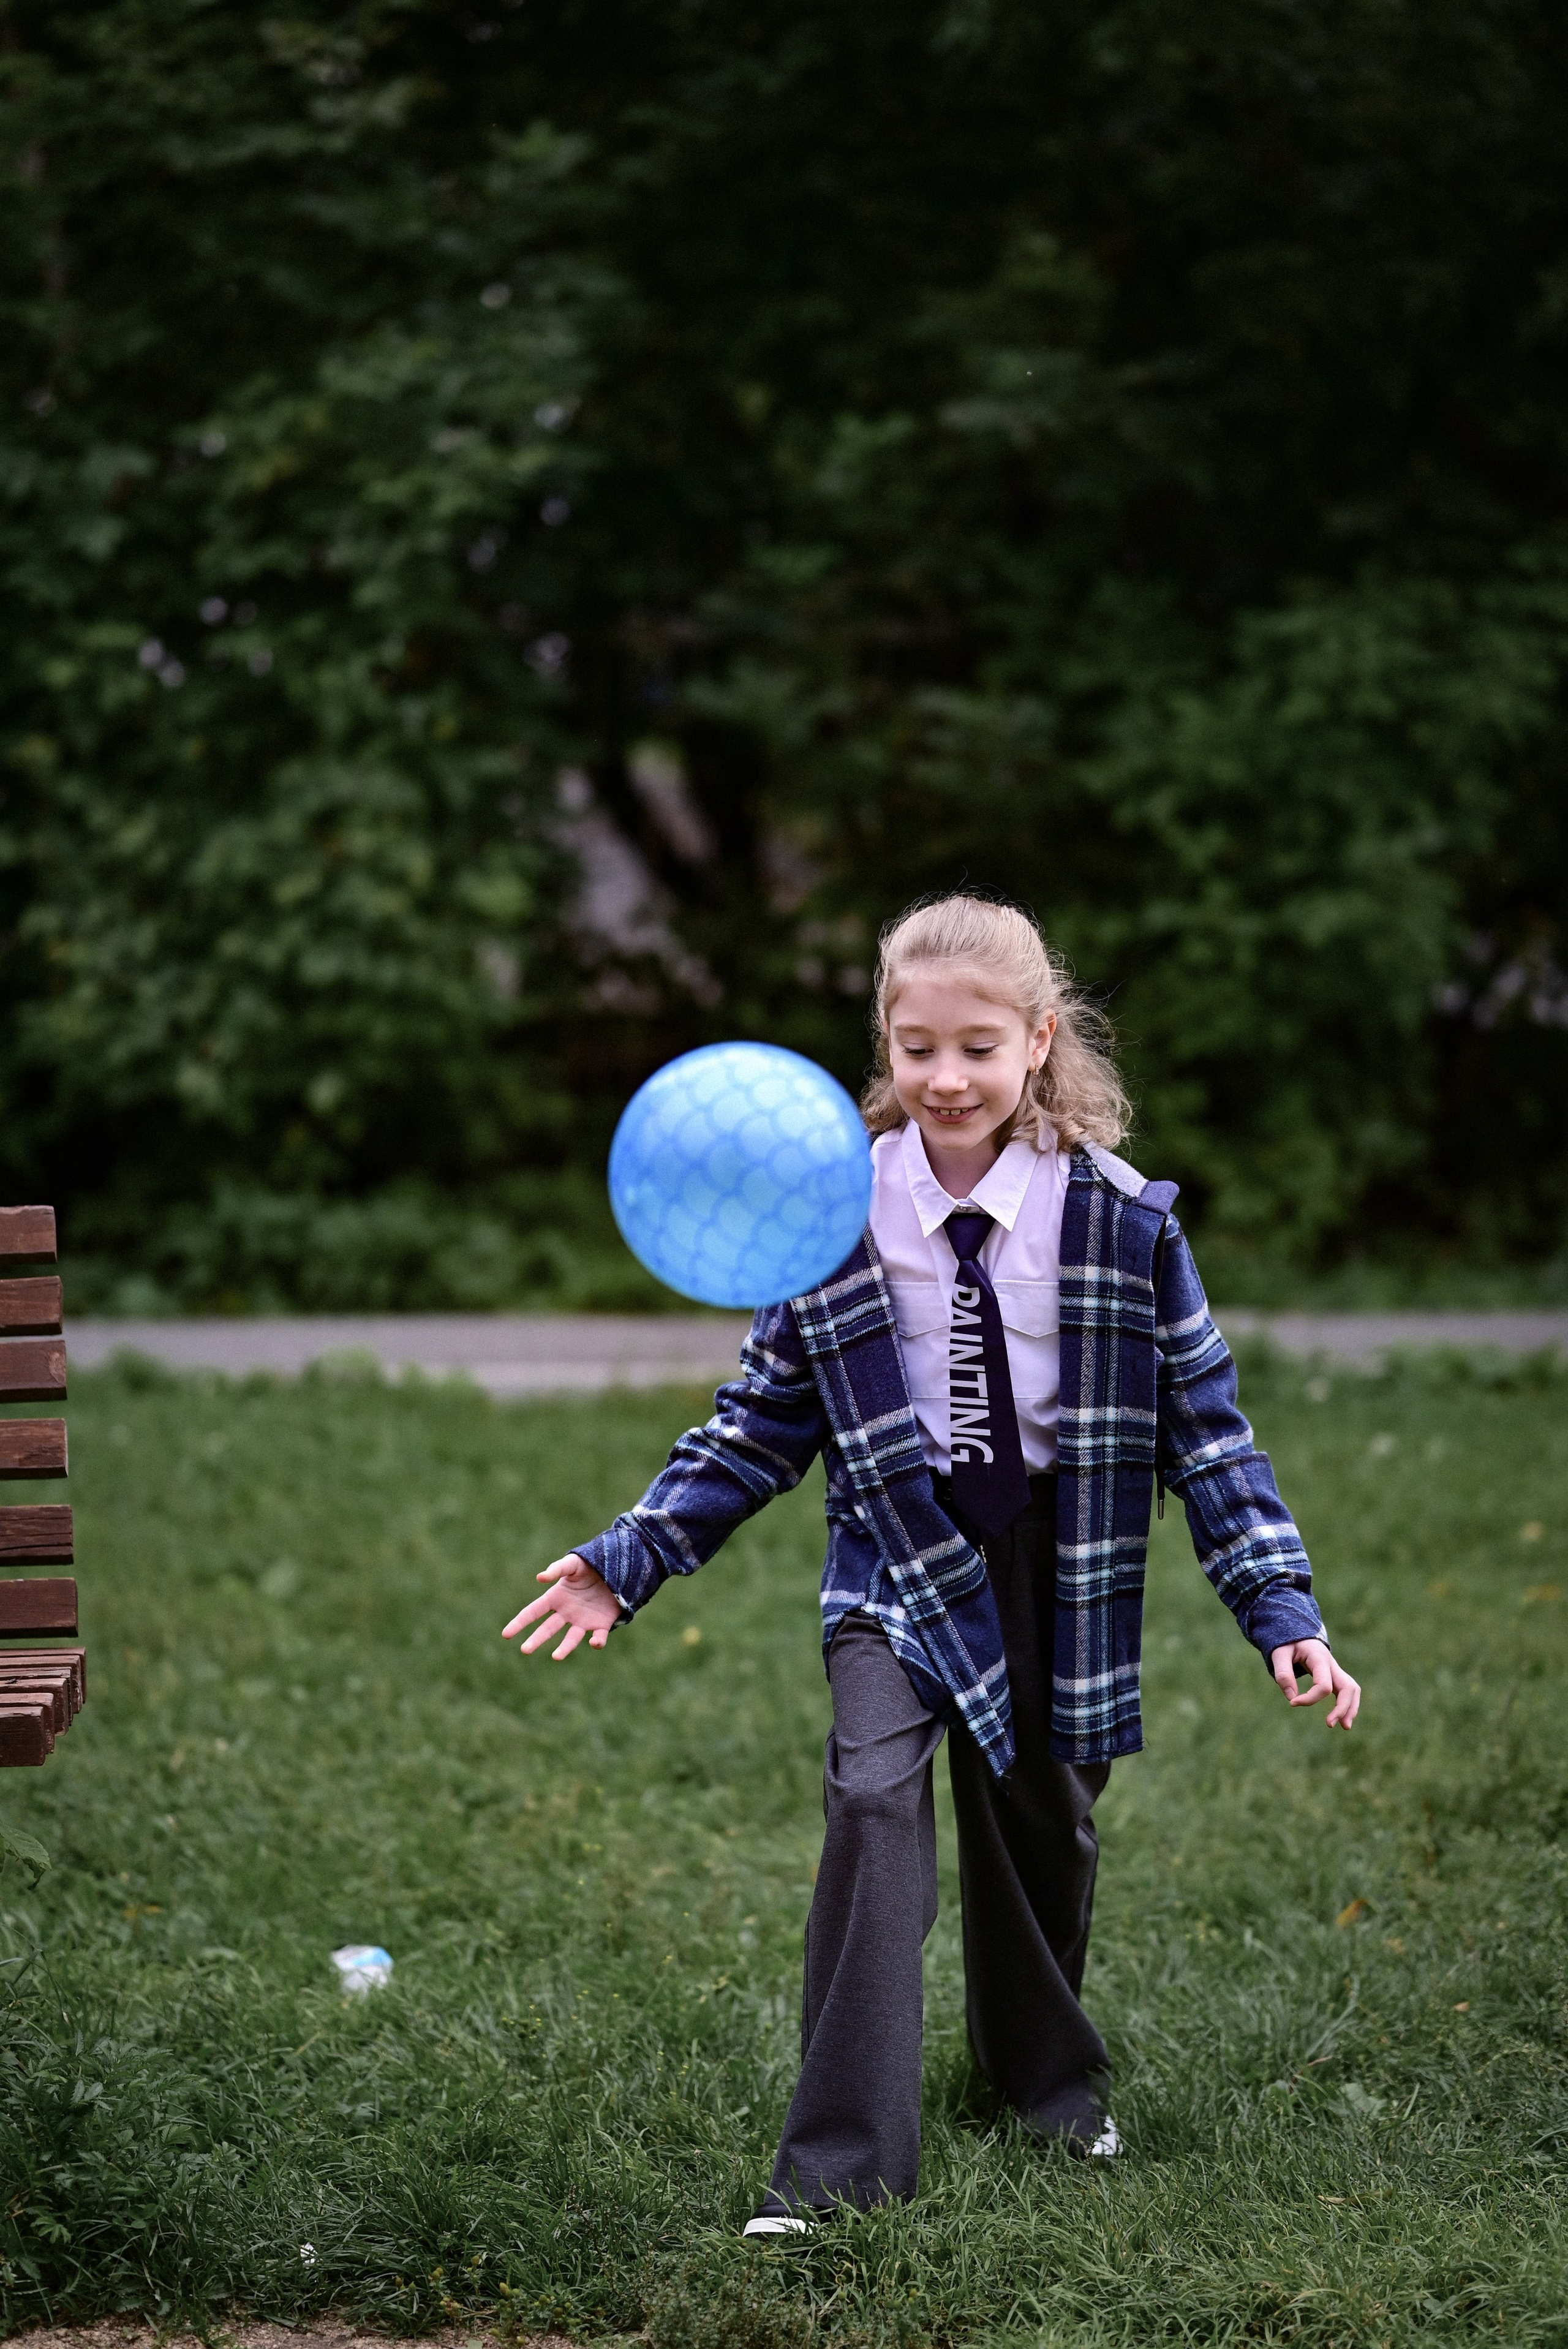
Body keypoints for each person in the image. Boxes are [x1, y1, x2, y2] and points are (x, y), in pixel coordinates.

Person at [503, 894, 1361, 2234]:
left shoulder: (1122, 1226)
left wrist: (1279, 1608)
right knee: (870, 1801)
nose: (943, 1078)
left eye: (974, 1048)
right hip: (894, 1560)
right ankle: (837, 2167)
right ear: (883, 1047)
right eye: (914, 1049)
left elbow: (1208, 1433)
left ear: (1037, 1042)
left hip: (1058, 1567)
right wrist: (630, 1557)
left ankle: (1045, 2088)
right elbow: (760, 1421)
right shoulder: (831, 1217)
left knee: (1037, 1837)